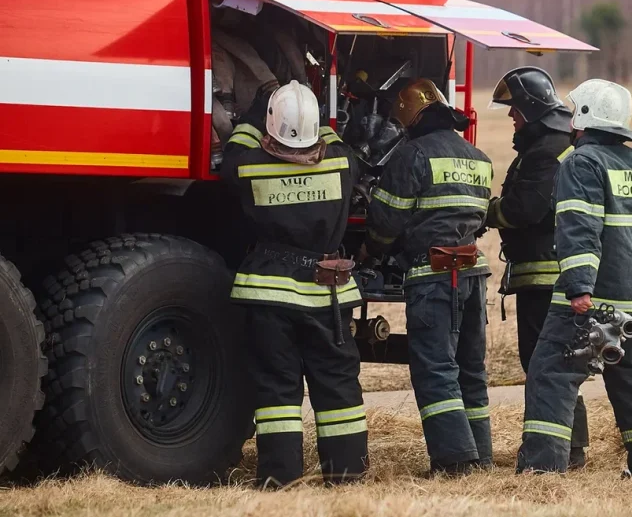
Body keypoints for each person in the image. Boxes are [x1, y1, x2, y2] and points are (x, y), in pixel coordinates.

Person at [516, 79, 632, 478]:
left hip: (592, 301)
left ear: (584, 117)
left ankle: (542, 471)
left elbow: (578, 228)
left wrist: (580, 287)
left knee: (551, 374)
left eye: (573, 110)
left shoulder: (581, 163)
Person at [222, 80, 368, 487]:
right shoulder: (343, 162)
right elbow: (332, 137)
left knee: (277, 390)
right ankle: (347, 474)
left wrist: (257, 111)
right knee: (338, 386)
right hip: (329, 294)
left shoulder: (247, 166)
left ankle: (280, 478)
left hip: (270, 294)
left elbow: (234, 148)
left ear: (271, 124)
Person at [360, 78, 493, 476]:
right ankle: (480, 455)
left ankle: (454, 462)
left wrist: (373, 250)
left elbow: (385, 221)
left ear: (410, 118)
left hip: (435, 275)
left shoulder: (413, 154)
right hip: (473, 271)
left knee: (435, 369)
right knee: (470, 369)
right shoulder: (478, 157)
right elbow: (480, 218)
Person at [484, 67, 589, 468]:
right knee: (558, 362)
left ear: (529, 108)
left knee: (546, 364)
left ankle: (557, 452)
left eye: (514, 110)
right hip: (554, 273)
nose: (511, 118)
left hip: (545, 276)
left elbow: (524, 209)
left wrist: (486, 211)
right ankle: (568, 447)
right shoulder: (558, 141)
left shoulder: (545, 150)